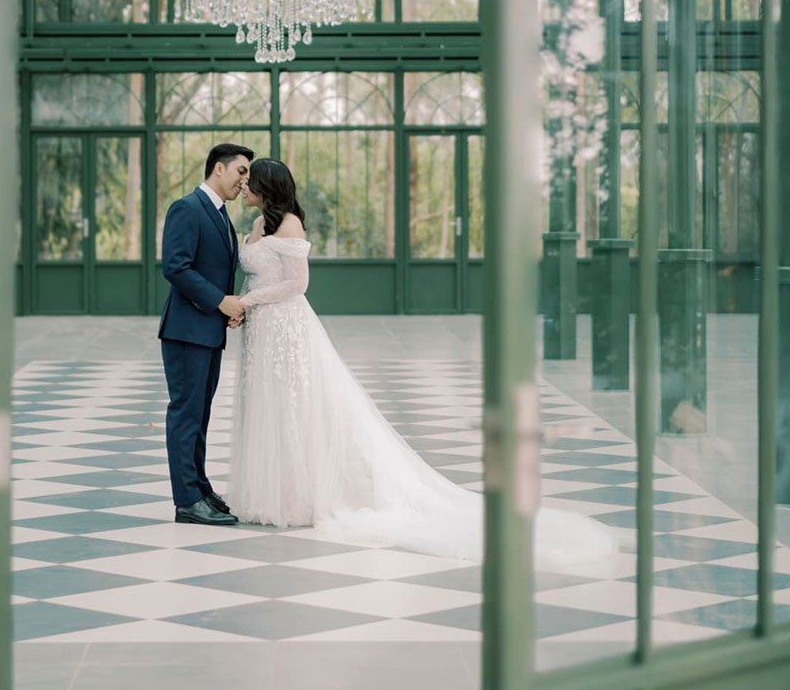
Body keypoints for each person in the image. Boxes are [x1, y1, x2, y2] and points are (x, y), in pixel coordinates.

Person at [230, 157, 618, 571]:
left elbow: (297, 284)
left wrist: (247, 302)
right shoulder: (256, 228)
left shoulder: (289, 224)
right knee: (266, 405)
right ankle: (269, 492)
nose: (245, 186)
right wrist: (239, 307)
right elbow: (255, 275)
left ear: (269, 188)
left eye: (251, 181)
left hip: (287, 329)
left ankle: (297, 496)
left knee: (294, 406)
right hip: (260, 331)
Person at [158, 142, 253, 526]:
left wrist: (226, 308)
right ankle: (186, 501)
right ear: (218, 168)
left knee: (200, 414)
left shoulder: (219, 214)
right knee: (185, 414)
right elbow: (175, 267)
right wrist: (219, 302)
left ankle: (198, 486)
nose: (245, 181)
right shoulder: (187, 208)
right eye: (241, 171)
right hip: (186, 331)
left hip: (207, 331)